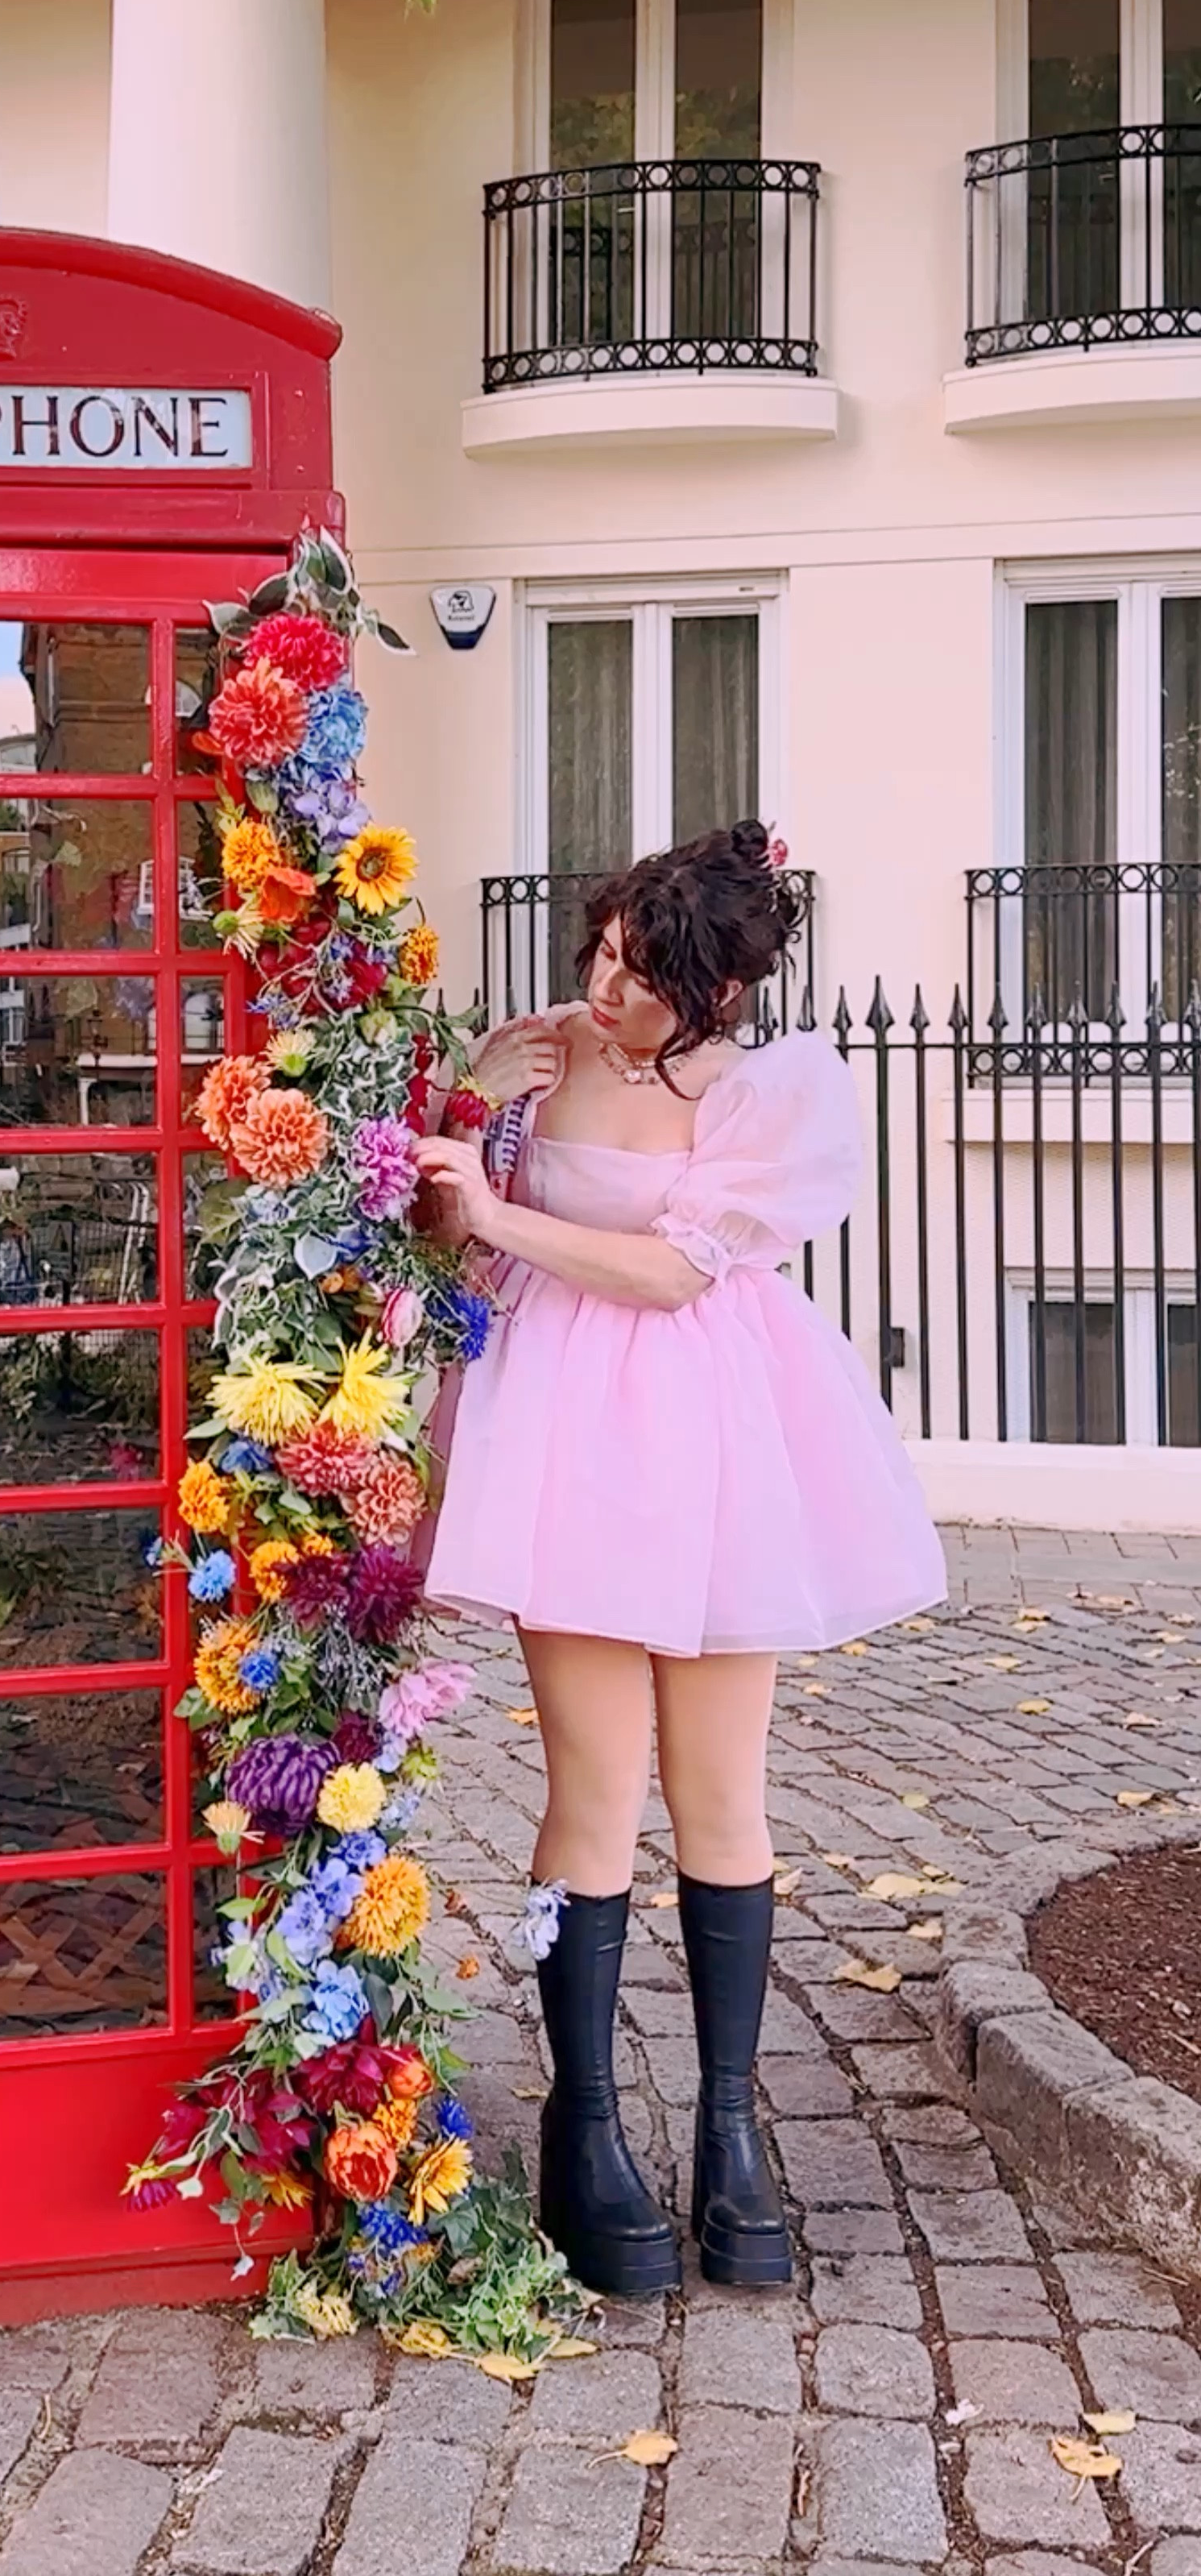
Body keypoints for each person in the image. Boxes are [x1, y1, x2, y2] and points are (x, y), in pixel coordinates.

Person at [413, 822, 946, 2298]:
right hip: (567, 1442)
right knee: (594, 1787)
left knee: (723, 1795)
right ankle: (586, 2138)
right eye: (602, 950)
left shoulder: (772, 1094)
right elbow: (459, 1252)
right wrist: (471, 1113)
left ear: (717, 994)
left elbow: (665, 1272)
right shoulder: (535, 1058)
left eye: (644, 977)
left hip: (714, 1436)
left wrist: (496, 1202)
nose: (607, 988)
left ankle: (731, 2141)